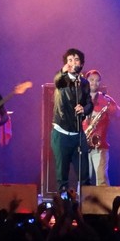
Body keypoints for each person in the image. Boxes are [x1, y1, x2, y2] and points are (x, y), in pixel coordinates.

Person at [51, 48, 93, 194]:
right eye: (69, 60)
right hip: (61, 132)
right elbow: (57, 80)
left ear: (81, 64)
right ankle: (63, 209)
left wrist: (84, 109)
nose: (72, 63)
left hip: (78, 134)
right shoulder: (62, 80)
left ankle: (86, 209)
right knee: (62, 176)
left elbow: (89, 103)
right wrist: (63, 71)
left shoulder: (84, 83)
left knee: (84, 174)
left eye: (76, 60)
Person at [82, 70, 120, 186]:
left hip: (100, 145)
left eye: (97, 81)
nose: (94, 83)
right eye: (91, 80)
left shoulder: (106, 99)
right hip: (83, 144)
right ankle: (82, 203)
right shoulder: (79, 99)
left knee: (102, 180)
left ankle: (103, 202)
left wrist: (116, 110)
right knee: (83, 180)